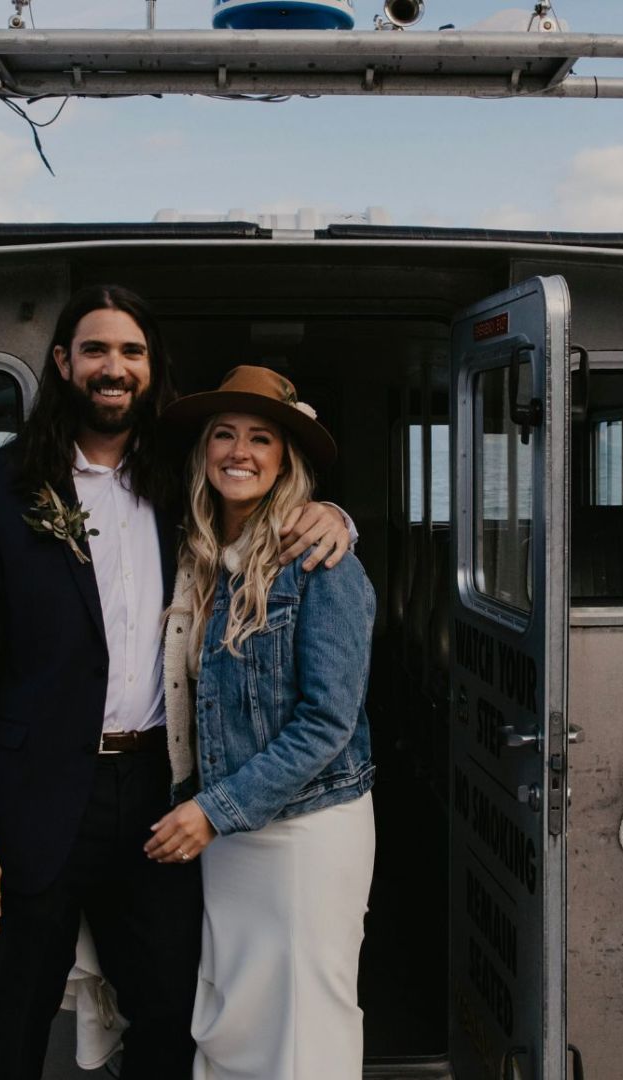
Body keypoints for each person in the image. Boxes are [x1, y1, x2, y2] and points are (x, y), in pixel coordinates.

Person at [0, 286, 353, 1080]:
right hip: (36, 794)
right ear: (64, 364)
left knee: (167, 1007)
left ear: (151, 371)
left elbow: (261, 500)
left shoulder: (180, 481)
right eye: (95, 350)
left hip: (158, 787)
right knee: (19, 1003)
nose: (113, 368)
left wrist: (336, 515)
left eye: (131, 353)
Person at [146, 366, 376, 1080]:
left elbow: (327, 724)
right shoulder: (194, 554)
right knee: (235, 1013)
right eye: (224, 435)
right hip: (228, 831)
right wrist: (214, 814)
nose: (238, 452)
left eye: (260, 439)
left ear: (285, 461)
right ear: (203, 451)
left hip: (305, 831)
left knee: (308, 1021)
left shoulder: (321, 560)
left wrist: (213, 811)